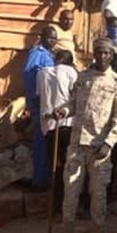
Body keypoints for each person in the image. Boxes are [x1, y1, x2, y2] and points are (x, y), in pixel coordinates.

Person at [51, 38, 117, 233]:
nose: (102, 56)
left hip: (99, 149)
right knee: (70, 192)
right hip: (77, 145)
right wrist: (63, 111)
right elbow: (74, 104)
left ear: (112, 55)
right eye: (99, 52)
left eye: (106, 53)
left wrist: (109, 143)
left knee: (97, 194)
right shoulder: (82, 78)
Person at [38, 49, 78, 206]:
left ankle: (55, 203)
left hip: (48, 125)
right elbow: (75, 97)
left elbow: (39, 95)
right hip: (66, 124)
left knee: (54, 164)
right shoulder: (71, 72)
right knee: (67, 166)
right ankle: (65, 203)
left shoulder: (42, 73)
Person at [23, 27, 58, 190]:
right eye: (50, 38)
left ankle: (46, 179)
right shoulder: (37, 53)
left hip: (50, 105)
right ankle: (40, 181)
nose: (53, 41)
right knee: (41, 144)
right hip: (40, 105)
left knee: (47, 143)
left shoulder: (50, 54)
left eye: (55, 38)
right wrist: (34, 100)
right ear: (42, 37)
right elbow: (29, 75)